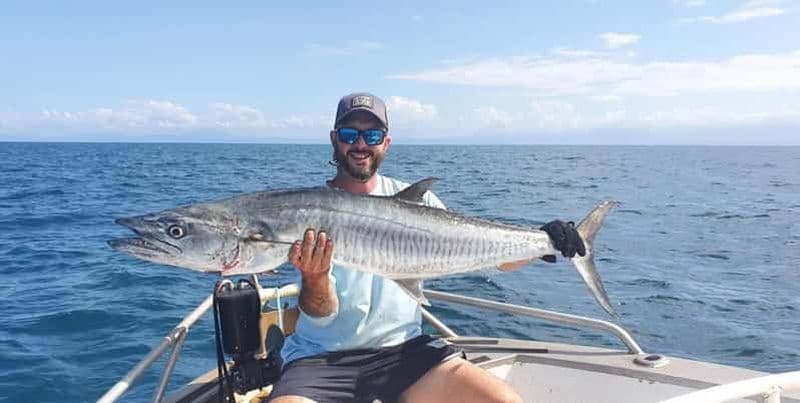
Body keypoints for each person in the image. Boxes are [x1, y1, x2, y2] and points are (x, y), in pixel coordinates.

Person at [268, 92, 585, 403]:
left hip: (404, 351)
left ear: (386, 143)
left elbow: (493, 258)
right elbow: (319, 314)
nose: (361, 144)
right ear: (335, 140)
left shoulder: (420, 203)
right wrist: (314, 276)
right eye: (351, 134)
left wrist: (546, 242)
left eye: (372, 134)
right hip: (322, 358)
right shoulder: (310, 209)